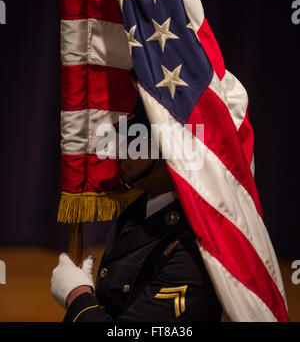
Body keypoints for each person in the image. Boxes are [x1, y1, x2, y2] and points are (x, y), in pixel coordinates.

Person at [51, 100, 222, 322]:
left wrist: (78, 298)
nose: (124, 151)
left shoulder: (192, 248)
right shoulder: (139, 210)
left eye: (139, 143)